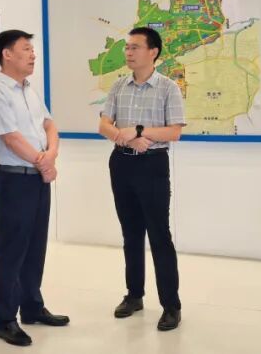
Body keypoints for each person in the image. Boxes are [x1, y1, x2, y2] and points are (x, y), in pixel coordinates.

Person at [0, 30, 70, 347]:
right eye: (26, 49)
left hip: (37, 179)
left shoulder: (29, 90)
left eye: (32, 49)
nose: (33, 55)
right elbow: (10, 138)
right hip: (14, 180)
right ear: (7, 54)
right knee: (10, 251)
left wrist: (51, 154)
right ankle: (5, 319)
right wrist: (43, 163)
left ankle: (32, 306)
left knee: (35, 247)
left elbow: (49, 124)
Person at [97, 27, 184, 331]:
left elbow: (174, 131)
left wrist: (138, 131)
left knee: (159, 235)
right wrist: (129, 139)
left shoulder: (168, 88)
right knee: (131, 233)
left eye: (135, 47)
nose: (128, 52)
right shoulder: (119, 85)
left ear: (153, 52)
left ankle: (171, 306)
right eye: (127, 47)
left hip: (152, 165)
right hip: (121, 163)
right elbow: (104, 125)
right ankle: (134, 295)